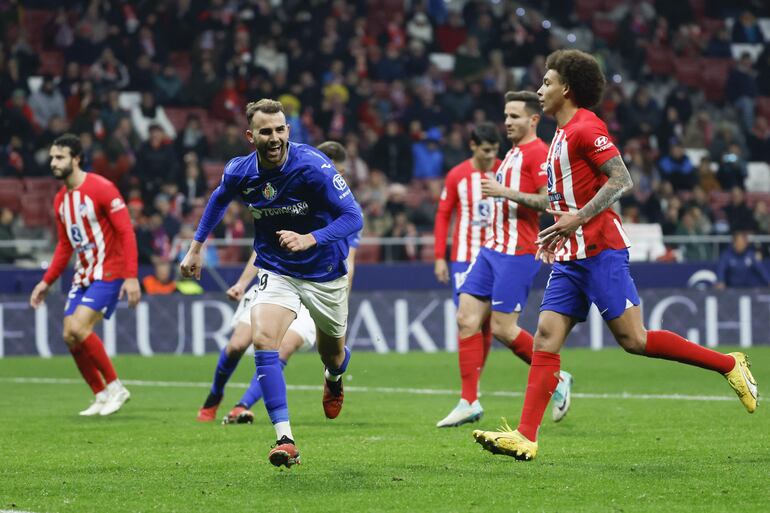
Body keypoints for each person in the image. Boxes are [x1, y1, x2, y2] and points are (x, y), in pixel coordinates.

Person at [473, 49, 758, 462]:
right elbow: (564, 198)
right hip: (570, 256)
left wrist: (578, 219)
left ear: (566, 89)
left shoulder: (588, 127)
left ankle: (728, 364)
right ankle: (525, 436)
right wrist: (556, 235)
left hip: (601, 250)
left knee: (634, 340)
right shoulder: (558, 136)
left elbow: (622, 177)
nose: (540, 89)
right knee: (546, 339)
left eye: (547, 83)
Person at [179, 100, 362, 468]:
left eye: (280, 130)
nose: (275, 137)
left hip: (324, 272)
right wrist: (196, 248)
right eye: (266, 131)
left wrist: (311, 238)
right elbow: (217, 201)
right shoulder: (241, 171)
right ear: (251, 136)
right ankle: (285, 438)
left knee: (334, 354)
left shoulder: (312, 165)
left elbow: (353, 217)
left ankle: (335, 377)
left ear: (288, 131)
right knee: (264, 340)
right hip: (276, 268)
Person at [195, 141, 359, 425]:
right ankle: (230, 403)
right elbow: (266, 243)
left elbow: (351, 256)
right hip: (278, 274)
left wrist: (341, 295)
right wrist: (243, 282)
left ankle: (333, 377)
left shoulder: (339, 208)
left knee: (329, 355)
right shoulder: (293, 186)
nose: (334, 174)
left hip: (323, 279)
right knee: (241, 344)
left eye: (338, 171)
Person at [436, 95, 573, 429]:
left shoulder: (538, 153)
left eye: (515, 116)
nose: (508, 121)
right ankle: (469, 401)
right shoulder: (511, 152)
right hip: (490, 249)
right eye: (506, 115)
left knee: (501, 328)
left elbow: (547, 200)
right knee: (467, 319)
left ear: (533, 121)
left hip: (517, 252)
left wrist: (504, 192)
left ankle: (557, 377)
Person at [28, 134, 140, 416]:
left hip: (110, 271)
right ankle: (100, 394)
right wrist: (46, 281)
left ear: (76, 158)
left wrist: (131, 276)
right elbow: (65, 246)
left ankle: (116, 387)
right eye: (52, 157)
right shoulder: (60, 201)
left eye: (60, 157)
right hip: (84, 274)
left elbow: (126, 232)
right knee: (69, 335)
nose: (53, 162)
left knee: (79, 328)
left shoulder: (102, 188)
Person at [433, 123, 500, 398]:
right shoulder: (458, 175)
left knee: (489, 326)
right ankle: (470, 392)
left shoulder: (504, 169)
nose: (490, 156)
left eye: (495, 150)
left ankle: (473, 385)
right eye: (486, 150)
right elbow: (443, 215)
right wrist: (440, 257)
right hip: (464, 258)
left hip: (497, 256)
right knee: (469, 320)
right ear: (473, 146)